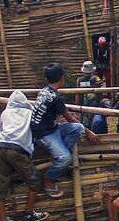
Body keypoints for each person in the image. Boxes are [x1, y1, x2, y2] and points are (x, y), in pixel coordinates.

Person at [32, 64, 98, 197]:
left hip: (51, 127)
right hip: (43, 134)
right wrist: (88, 131)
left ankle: (56, 155)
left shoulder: (44, 91)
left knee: (78, 128)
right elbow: (69, 118)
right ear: (62, 79)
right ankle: (48, 179)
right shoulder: (55, 98)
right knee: (66, 158)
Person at [0, 90, 45, 221]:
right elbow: (37, 132)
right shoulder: (30, 113)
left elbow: (0, 131)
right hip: (18, 150)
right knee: (35, 180)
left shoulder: (5, 113)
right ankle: (28, 213)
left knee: (0, 186)